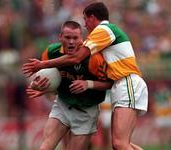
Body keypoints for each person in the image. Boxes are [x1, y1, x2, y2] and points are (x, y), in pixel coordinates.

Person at [22, 2, 148, 150]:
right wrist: (45, 88)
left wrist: (42, 64)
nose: (85, 24)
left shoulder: (103, 30)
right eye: (67, 37)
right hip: (117, 86)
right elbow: (63, 77)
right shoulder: (56, 50)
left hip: (126, 83)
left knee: (120, 144)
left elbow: (76, 58)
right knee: (119, 144)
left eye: (85, 19)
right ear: (60, 37)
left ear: (92, 17)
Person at [26, 20, 112, 150]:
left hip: (86, 111)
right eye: (67, 37)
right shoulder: (51, 53)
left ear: (81, 39)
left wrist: (88, 84)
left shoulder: (94, 57)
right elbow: (48, 78)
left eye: (75, 38)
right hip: (62, 105)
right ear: (60, 37)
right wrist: (40, 87)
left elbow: (109, 83)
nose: (71, 42)